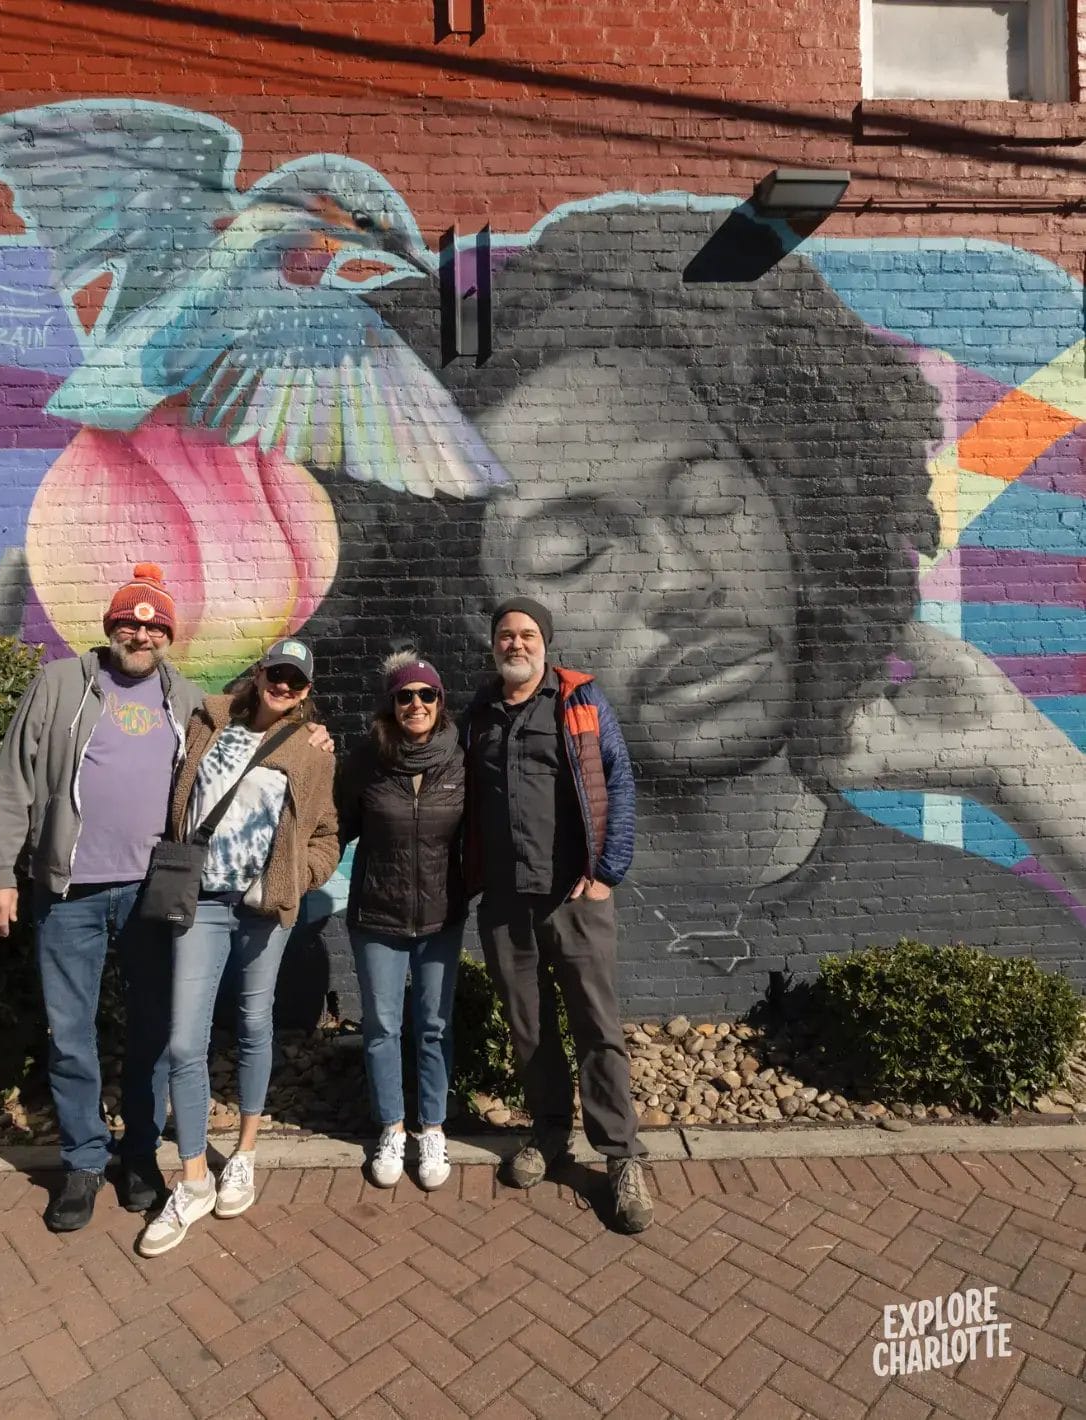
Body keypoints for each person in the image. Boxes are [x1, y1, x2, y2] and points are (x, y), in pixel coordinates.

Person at [457, 202, 1086, 1014]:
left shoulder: (1010, 942)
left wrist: (1025, 771)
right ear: (481, 628)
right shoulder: (409, 968)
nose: (679, 580)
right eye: (572, 554)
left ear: (802, 516)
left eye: (710, 501)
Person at [0, 563, 200, 1231]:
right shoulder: (59, 685)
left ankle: (137, 1156)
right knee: (71, 1036)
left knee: (152, 1032)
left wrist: (311, 734)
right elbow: (14, 778)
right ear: (110, 626)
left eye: (154, 623)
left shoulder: (185, 697)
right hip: (67, 893)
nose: (142, 630)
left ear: (167, 636)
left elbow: (243, 752)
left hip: (149, 895)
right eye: (131, 620)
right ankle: (80, 1162)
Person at [139, 639, 338, 1255]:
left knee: (255, 1025)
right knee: (183, 1040)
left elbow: (328, 833)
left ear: (306, 692)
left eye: (295, 681)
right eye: (276, 673)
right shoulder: (209, 719)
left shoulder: (311, 750)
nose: (283, 686)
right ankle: (194, 1177)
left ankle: (245, 1153)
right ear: (259, 674)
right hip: (200, 903)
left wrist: (299, 875)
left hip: (262, 913)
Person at [461, 596, 653, 1233]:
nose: (515, 645)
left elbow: (619, 780)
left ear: (545, 642)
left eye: (526, 635)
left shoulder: (580, 702)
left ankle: (621, 1156)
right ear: (494, 647)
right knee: (529, 1028)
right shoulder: (478, 716)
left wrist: (605, 874)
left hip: (575, 896)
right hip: (506, 903)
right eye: (505, 636)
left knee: (598, 1026)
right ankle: (548, 1136)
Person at [335, 651, 466, 1189]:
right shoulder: (367, 760)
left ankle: (431, 1127)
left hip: (441, 916)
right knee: (383, 1027)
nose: (416, 704)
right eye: (405, 696)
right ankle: (392, 1127)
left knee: (434, 1026)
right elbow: (334, 826)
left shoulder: (461, 758)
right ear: (391, 705)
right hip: (376, 917)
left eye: (426, 695)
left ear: (440, 702)